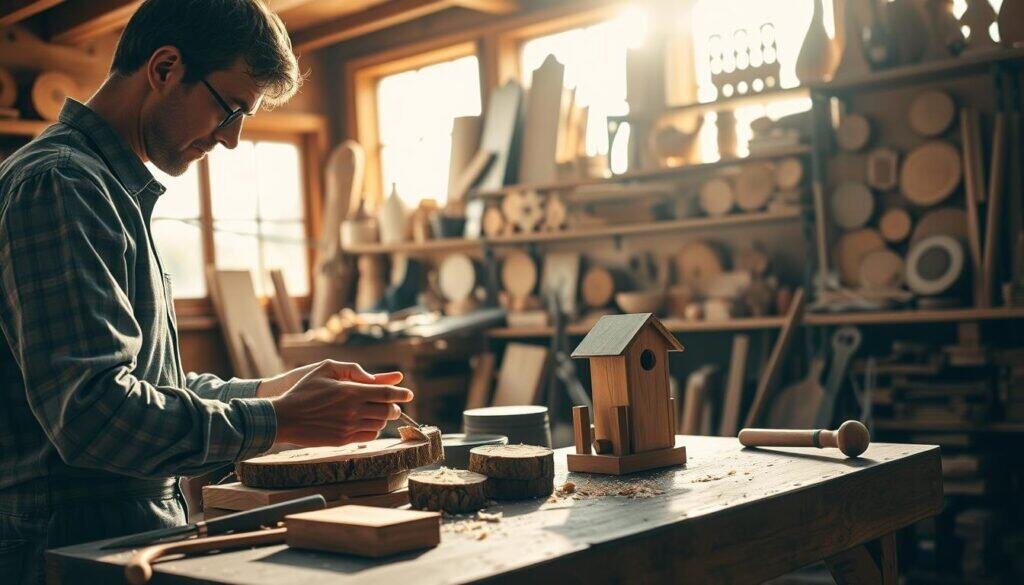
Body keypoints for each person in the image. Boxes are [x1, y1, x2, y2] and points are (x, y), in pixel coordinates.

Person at [0, 2, 412, 583]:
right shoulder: (61, 185)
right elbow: (93, 416)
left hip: (124, 535)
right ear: (165, 68)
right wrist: (277, 420)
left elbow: (153, 389)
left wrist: (277, 389)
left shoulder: (112, 191)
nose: (233, 139)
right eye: (232, 108)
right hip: (68, 547)